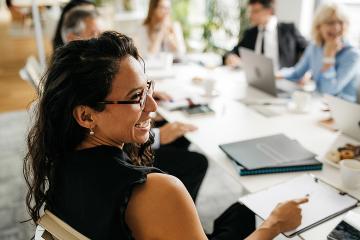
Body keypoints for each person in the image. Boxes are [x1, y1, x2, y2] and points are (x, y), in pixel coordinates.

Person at [24, 31, 307, 240]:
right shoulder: (157, 192)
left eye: (148, 88)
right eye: (136, 97)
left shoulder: (59, 159)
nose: (153, 106)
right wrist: (274, 226)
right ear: (86, 115)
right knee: (253, 215)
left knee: (241, 211)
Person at [59, 8, 208, 201]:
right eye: (95, 35)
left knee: (182, 138)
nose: (102, 42)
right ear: (86, 116)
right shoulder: (143, 188)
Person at [279, 3, 360, 102]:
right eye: (330, 22)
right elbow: (297, 73)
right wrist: (277, 74)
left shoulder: (352, 54)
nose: (337, 27)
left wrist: (329, 58)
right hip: (318, 100)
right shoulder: (314, 47)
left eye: (341, 22)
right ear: (318, 26)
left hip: (341, 106)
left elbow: (329, 91)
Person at [223, 0, 307, 70]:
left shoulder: (289, 30)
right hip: (255, 81)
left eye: (255, 11)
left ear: (269, 10)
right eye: (250, 12)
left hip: (283, 80)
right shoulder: (250, 33)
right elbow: (233, 52)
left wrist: (302, 71)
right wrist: (230, 57)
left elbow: (308, 50)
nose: (251, 15)